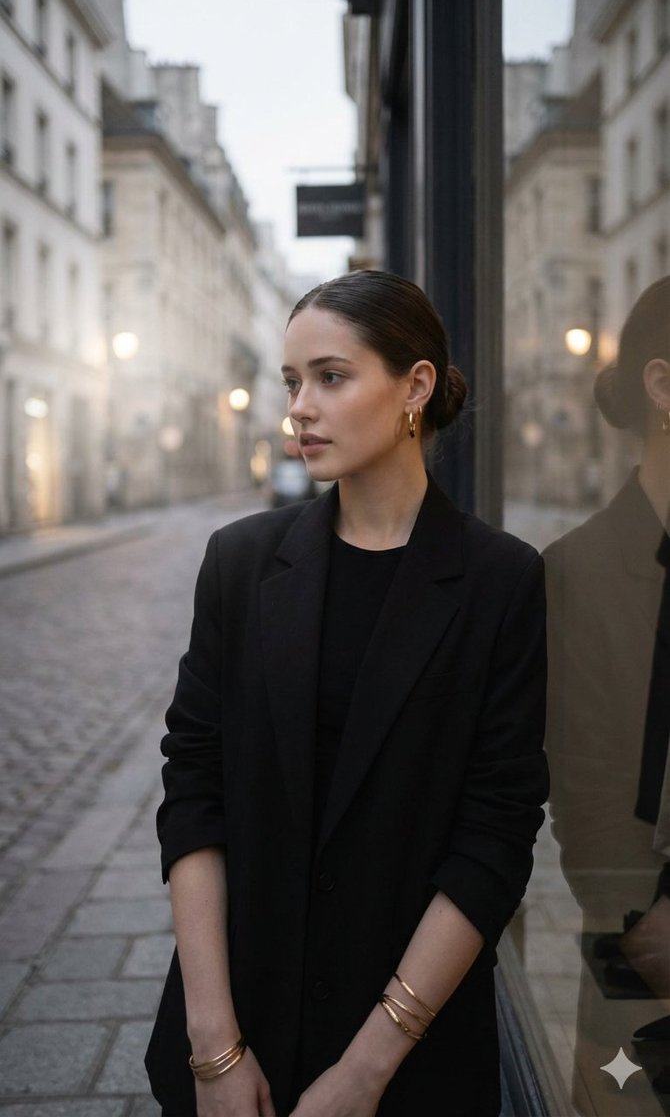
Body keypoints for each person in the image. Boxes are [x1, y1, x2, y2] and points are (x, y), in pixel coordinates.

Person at [145, 269, 549, 1117]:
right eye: (292, 382)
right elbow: (194, 789)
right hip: (237, 1021)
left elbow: (497, 834)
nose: (300, 407)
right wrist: (213, 1046)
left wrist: (369, 1068)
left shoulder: (499, 580)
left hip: (411, 1055)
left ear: (416, 387)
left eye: (330, 377)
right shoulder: (241, 563)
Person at [543, 275, 670, 1112]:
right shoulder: (582, 571)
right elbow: (584, 791)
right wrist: (641, 925)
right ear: (662, 387)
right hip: (648, 984)